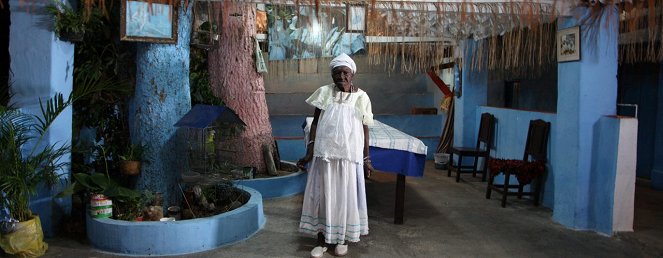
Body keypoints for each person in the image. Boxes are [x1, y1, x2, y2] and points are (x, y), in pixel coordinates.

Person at [296, 53, 374, 258]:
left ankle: (342, 239)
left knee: (345, 197)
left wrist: (367, 158)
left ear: (352, 74)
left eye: (345, 72)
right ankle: (321, 241)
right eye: (337, 73)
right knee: (323, 196)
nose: (341, 76)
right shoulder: (323, 93)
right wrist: (309, 151)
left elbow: (365, 129)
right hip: (325, 155)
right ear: (332, 75)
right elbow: (315, 124)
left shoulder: (362, 97)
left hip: (349, 156)